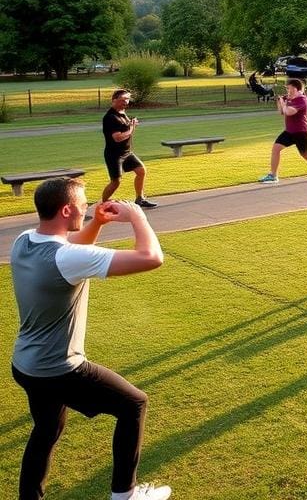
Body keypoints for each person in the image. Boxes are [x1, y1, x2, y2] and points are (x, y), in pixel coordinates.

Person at [9, 177, 171, 500]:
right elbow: (152, 257)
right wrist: (138, 216)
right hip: (60, 369)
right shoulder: (66, 259)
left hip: (25, 365)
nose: (88, 206)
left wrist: (96, 221)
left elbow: (72, 250)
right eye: (84, 204)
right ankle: (125, 496)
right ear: (66, 209)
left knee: (47, 429)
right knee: (133, 404)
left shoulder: (24, 240)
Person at [258, 79, 307, 184]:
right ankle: (273, 175)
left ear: (295, 88)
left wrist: (283, 103)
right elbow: (281, 112)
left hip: (300, 132)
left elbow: (289, 112)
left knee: (304, 153)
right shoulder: (290, 98)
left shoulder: (302, 99)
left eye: (288, 88)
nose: (287, 90)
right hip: (289, 131)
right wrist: (279, 102)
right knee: (276, 148)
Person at [101, 89, 157, 209]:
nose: (126, 102)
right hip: (114, 155)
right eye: (123, 100)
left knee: (141, 170)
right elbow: (117, 137)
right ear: (114, 100)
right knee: (116, 182)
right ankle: (103, 204)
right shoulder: (110, 117)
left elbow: (126, 130)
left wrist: (132, 124)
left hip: (126, 153)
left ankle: (139, 199)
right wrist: (131, 129)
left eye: (127, 99)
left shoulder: (122, 112)